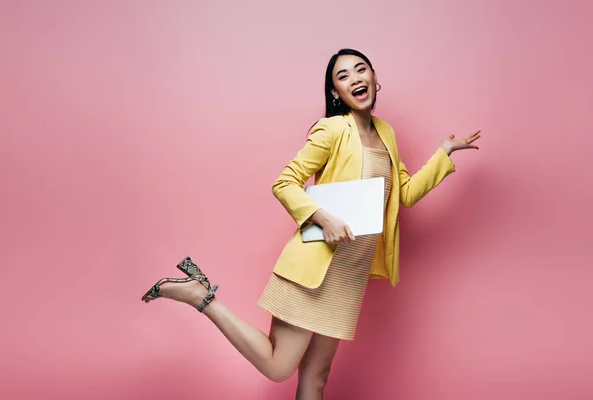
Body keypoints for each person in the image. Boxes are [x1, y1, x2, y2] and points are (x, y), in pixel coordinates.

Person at [141, 48, 481, 399]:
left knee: (315, 379)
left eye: (360, 70)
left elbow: (403, 194)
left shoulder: (387, 134)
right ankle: (201, 295)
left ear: (376, 79)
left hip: (349, 275)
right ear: (336, 92)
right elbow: (285, 183)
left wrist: (444, 154)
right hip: (316, 265)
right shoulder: (332, 130)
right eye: (343, 76)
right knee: (278, 367)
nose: (355, 79)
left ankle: (199, 294)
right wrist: (324, 218)